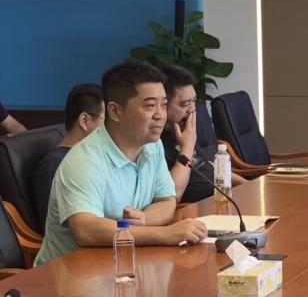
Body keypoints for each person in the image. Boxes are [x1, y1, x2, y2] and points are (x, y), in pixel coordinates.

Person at [34, 61, 207, 265]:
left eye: (163, 104)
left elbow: (166, 201)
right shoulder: (84, 161)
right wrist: (165, 234)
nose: (160, 115)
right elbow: (85, 230)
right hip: (70, 275)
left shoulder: (153, 146)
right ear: (115, 111)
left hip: (125, 265)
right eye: (150, 106)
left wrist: (144, 219)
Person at [158, 65, 244, 203]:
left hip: (222, 200)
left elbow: (209, 168)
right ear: (163, 104)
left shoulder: (182, 130)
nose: (192, 109)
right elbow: (173, 194)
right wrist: (187, 146)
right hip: (194, 210)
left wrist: (247, 184)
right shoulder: (155, 143)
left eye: (194, 101)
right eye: (185, 104)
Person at [32, 84, 105, 228]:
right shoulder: (54, 166)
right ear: (85, 121)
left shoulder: (94, 158)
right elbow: (55, 228)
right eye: (108, 121)